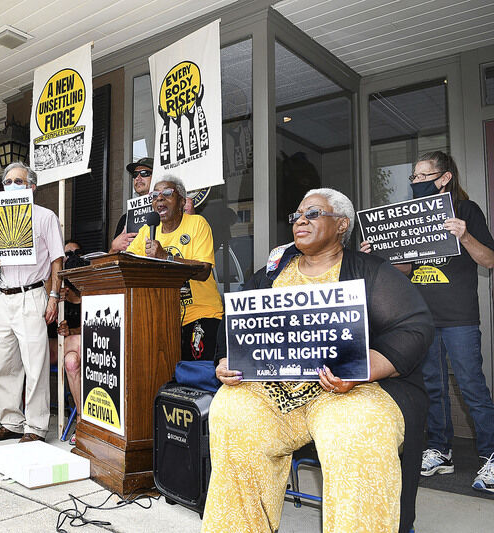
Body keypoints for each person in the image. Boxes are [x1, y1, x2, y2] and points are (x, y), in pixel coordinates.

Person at [202, 188, 434, 533]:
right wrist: (226, 360)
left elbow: (414, 327)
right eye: (297, 215)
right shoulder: (270, 274)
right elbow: (233, 329)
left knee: (356, 428)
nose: (301, 221)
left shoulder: (371, 271)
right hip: (276, 394)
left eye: (312, 213)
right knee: (231, 410)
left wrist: (365, 367)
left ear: (342, 224)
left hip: (350, 391)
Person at [363, 151, 494, 494]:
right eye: (414, 177)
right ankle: (439, 450)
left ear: (444, 178)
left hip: (459, 317)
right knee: (433, 387)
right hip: (423, 319)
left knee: (471, 386)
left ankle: (491, 454)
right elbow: (407, 268)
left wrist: (464, 236)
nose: (416, 182)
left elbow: (489, 260)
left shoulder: (466, 210)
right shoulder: (414, 217)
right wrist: (379, 254)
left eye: (423, 176)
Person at [0, 161, 64, 443]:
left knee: (35, 364)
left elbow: (57, 260)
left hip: (32, 294)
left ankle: (36, 427)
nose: (12, 186)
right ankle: (11, 422)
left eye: (18, 181)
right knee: (4, 364)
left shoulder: (45, 217)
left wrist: (54, 296)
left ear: (31, 186)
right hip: (3, 296)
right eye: (7, 182)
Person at [126, 175, 223, 361]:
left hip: (201, 314)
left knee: (198, 373)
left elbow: (203, 271)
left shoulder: (197, 224)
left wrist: (166, 257)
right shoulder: (147, 231)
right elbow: (128, 263)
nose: (159, 198)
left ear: (182, 202)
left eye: (167, 193)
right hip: (164, 318)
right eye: (155, 195)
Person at [56, 241, 87, 444]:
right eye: (68, 254)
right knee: (72, 354)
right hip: (57, 346)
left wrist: (73, 331)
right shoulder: (57, 291)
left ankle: (82, 419)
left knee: (72, 359)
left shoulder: (91, 288)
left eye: (77, 253)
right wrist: (52, 299)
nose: (73, 257)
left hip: (82, 347)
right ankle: (83, 419)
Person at [110, 157, 153, 252]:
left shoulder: (168, 213)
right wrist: (114, 248)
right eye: (135, 175)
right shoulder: (126, 219)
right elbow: (112, 258)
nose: (138, 178)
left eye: (144, 173)